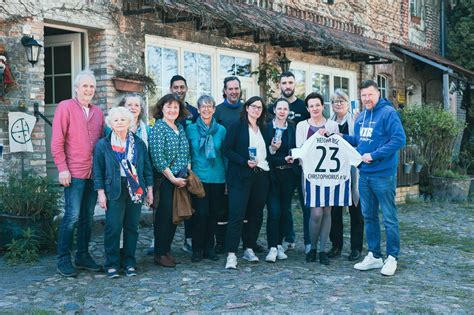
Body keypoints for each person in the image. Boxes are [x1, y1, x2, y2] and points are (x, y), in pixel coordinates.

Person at [342, 80, 405, 276]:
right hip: (365, 175)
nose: (367, 99)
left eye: (370, 95)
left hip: (383, 175)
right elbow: (359, 142)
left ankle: (392, 257)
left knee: (388, 217)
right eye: (363, 96)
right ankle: (375, 255)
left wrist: (375, 155)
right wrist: (337, 136)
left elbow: (399, 139)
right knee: (368, 216)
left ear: (378, 94)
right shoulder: (360, 119)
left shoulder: (388, 114)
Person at [51, 70, 104, 277]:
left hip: (93, 174)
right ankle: (63, 259)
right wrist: (62, 168)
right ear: (76, 88)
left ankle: (82, 255)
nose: (88, 90)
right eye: (85, 86)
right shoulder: (65, 107)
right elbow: (57, 142)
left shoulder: (98, 113)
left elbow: (101, 144)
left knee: (87, 217)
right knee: (71, 216)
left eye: (92, 86)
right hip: (73, 172)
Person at [93, 107, 153, 278]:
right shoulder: (103, 145)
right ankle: (112, 264)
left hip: (135, 189)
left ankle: (129, 262)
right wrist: (101, 193)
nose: (119, 122)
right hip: (114, 189)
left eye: (123, 120)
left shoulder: (139, 144)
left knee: (132, 227)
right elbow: (98, 171)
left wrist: (149, 191)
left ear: (129, 122)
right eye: (116, 120)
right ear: (110, 124)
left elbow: (147, 169)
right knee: (113, 227)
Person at [223, 96, 271, 269]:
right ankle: (231, 254)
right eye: (253, 106)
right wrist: (244, 161)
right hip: (241, 175)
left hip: (261, 176)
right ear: (247, 108)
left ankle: (249, 248)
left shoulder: (264, 128)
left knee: (256, 215)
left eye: (259, 107)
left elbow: (268, 152)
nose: (256, 110)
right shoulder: (237, 126)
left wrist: (275, 148)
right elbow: (226, 149)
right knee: (236, 214)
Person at [269, 71, 310, 253]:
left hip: (301, 165)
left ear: (295, 84)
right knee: (283, 206)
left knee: (306, 205)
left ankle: (310, 242)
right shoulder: (273, 107)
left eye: (290, 82)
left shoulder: (303, 106)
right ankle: (287, 237)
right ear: (280, 85)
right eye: (284, 82)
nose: (287, 86)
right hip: (279, 166)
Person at [295, 92, 339, 265]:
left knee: (327, 210)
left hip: (329, 175)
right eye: (311, 106)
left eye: (317, 105)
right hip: (310, 174)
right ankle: (312, 247)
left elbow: (339, 147)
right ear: (307, 108)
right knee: (315, 212)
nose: (314, 108)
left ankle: (322, 250)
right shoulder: (301, 126)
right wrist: (317, 136)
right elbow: (300, 150)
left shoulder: (333, 125)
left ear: (323, 106)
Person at [149, 93, 191, 268]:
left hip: (180, 179)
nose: (172, 110)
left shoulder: (179, 127)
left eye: (176, 107)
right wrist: (173, 179)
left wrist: (187, 173)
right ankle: (159, 253)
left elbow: (186, 152)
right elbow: (158, 158)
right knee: (164, 218)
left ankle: (167, 251)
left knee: (175, 217)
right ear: (162, 108)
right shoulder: (158, 127)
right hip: (166, 180)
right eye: (169, 107)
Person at [186, 95, 227, 262]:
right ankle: (197, 248)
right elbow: (187, 153)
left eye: (210, 106)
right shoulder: (191, 130)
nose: (206, 109)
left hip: (218, 177)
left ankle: (210, 248)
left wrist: (228, 180)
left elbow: (225, 155)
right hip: (198, 178)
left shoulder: (222, 130)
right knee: (200, 214)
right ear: (198, 109)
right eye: (203, 106)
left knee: (213, 214)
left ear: (214, 109)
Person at [327, 89, 364, 262]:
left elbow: (360, 141)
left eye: (341, 101)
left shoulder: (356, 120)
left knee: (355, 210)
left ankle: (356, 248)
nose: (338, 104)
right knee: (335, 210)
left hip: (353, 169)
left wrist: (342, 136)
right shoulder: (329, 122)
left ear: (348, 103)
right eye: (335, 101)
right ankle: (336, 245)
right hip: (336, 170)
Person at [213, 76, 243, 254]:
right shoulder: (218, 111)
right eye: (230, 89)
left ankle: (247, 242)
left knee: (242, 207)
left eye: (236, 88)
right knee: (222, 208)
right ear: (224, 91)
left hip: (244, 165)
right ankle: (221, 242)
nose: (233, 92)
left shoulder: (246, 110)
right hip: (223, 164)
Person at [264, 98, 296, 263]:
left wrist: (293, 158)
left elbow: (296, 149)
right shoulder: (267, 128)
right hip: (271, 175)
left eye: (285, 109)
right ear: (274, 110)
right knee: (274, 211)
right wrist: (273, 149)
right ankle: (272, 247)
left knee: (284, 211)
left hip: (288, 175)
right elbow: (265, 155)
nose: (282, 111)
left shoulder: (292, 128)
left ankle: (279, 244)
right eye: (279, 108)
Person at [170, 75, 198, 254]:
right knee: (166, 206)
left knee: (190, 201)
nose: (179, 90)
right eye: (176, 87)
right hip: (169, 165)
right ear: (171, 89)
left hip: (189, 163)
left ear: (186, 88)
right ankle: (160, 241)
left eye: (182, 87)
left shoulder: (193, 111)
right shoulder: (166, 109)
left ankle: (189, 239)